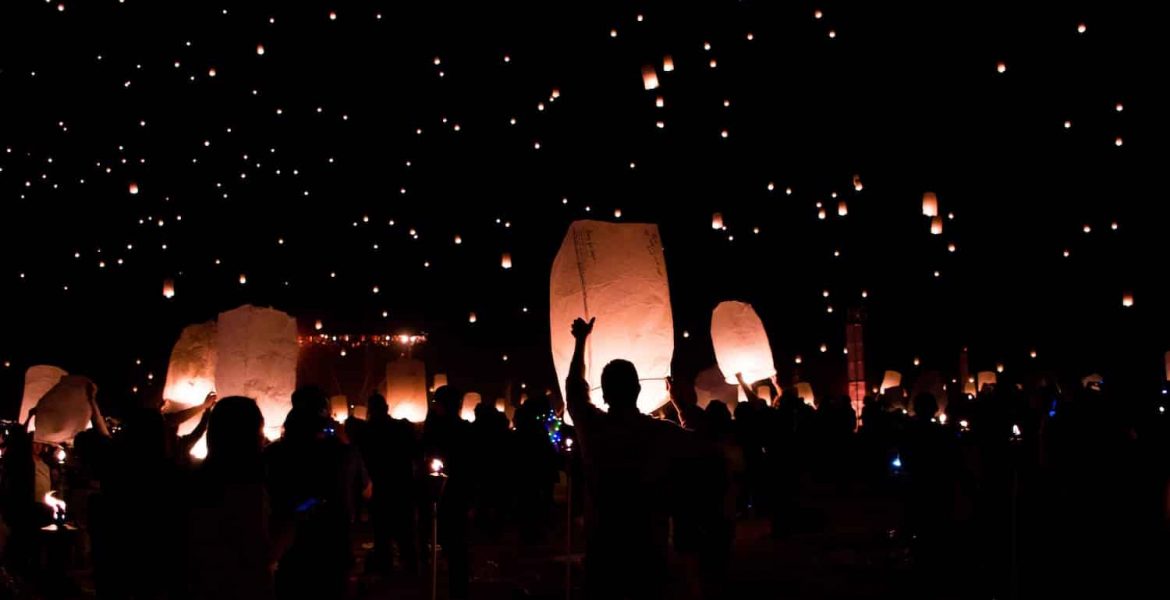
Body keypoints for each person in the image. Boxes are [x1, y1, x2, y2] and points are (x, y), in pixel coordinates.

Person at [565, 317, 712, 599]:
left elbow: (574, 391)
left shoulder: (593, 428)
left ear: (604, 393)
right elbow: (701, 443)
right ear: (638, 389)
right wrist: (680, 406)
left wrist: (580, 340)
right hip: (648, 545)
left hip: (604, 544)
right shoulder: (659, 432)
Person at [184, 397, 275, 600]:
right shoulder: (246, 489)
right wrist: (291, 527)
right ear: (247, 438)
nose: (263, 440)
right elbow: (257, 554)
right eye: (260, 432)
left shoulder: (194, 480)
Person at [358, 393, 419, 575]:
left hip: (380, 487)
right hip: (401, 485)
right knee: (405, 532)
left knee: (382, 533)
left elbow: (363, 460)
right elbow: (415, 453)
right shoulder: (401, 428)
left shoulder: (367, 432)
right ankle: (411, 569)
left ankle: (386, 569)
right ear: (386, 408)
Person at [422, 385, 473, 599]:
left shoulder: (438, 430)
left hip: (448, 493)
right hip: (453, 493)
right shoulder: (463, 430)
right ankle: (455, 588)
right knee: (456, 546)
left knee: (452, 544)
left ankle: (451, 588)